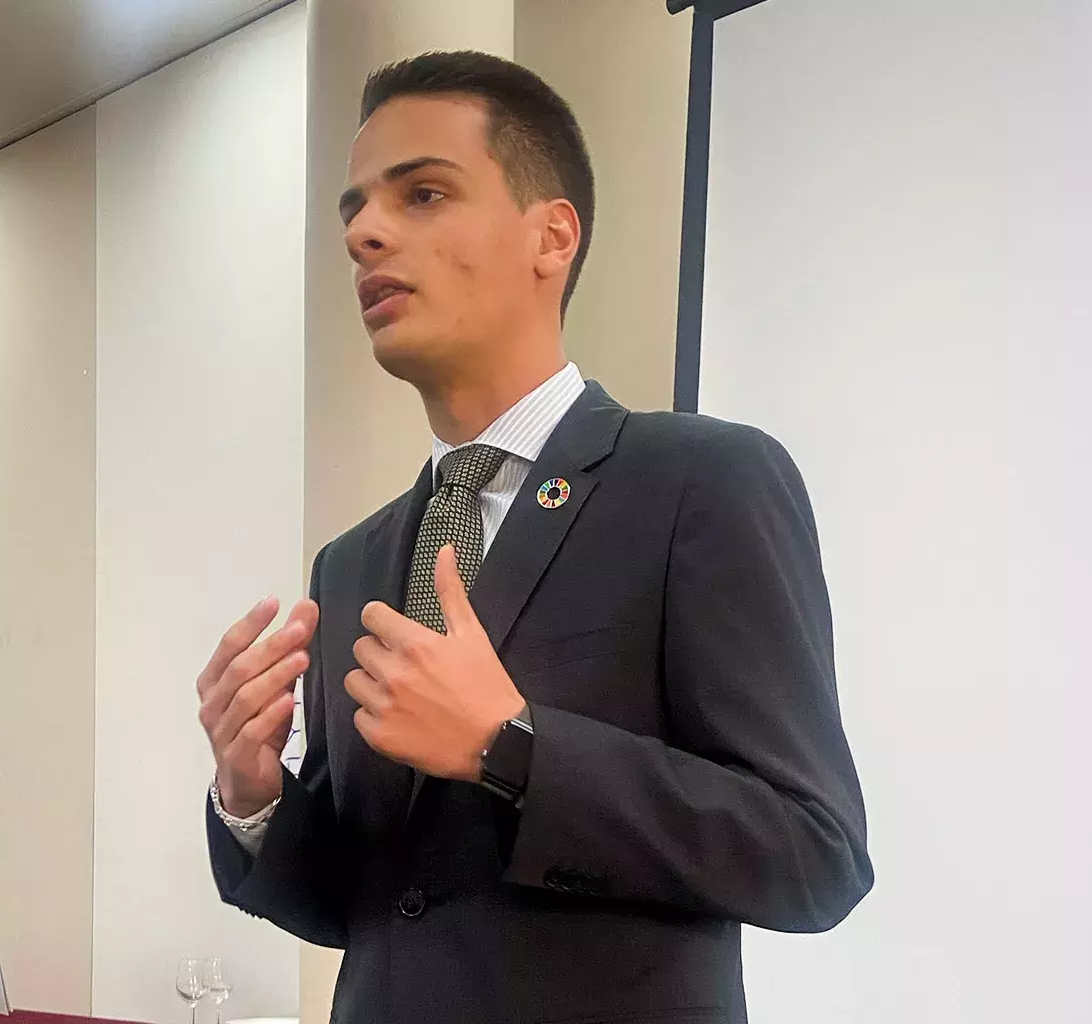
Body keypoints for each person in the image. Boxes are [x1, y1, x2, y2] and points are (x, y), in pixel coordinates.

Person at [195, 51, 871, 1024]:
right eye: (354, 211)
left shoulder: (700, 483)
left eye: (422, 192)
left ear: (551, 234)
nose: (367, 232)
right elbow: (371, 906)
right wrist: (252, 791)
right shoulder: (352, 566)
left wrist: (514, 748)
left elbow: (815, 853)